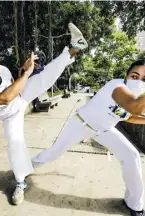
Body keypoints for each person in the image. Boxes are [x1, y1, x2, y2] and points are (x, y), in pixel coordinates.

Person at [0, 23, 88, 205]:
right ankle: (21, 182)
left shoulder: (3, 70)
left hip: (20, 97)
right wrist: (27, 74)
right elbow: (4, 98)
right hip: (10, 114)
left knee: (45, 77)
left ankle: (74, 47)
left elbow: (13, 82)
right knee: (15, 142)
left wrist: (23, 70)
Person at [31, 59, 145, 216]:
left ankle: (135, 204)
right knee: (54, 153)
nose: (139, 82)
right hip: (81, 124)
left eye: (144, 79)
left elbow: (129, 116)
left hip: (104, 130)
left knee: (131, 155)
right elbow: (135, 108)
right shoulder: (117, 86)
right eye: (135, 76)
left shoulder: (137, 95)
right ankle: (27, 167)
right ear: (126, 75)